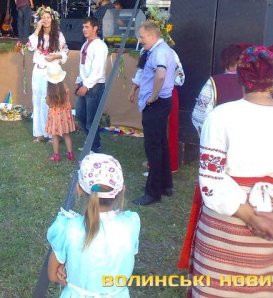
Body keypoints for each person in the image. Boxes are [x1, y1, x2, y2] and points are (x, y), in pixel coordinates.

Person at [188, 45, 273, 297]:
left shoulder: (220, 117)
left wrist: (252, 218)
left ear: (240, 77)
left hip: (229, 220)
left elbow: (212, 179)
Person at [47, 153, 140, 298]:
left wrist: (68, 268)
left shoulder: (69, 228)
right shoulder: (131, 223)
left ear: (79, 189)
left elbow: (53, 275)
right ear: (122, 190)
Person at [128, 20, 176, 205]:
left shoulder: (160, 52)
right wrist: (134, 88)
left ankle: (153, 192)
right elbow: (144, 72)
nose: (140, 40)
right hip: (158, 102)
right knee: (160, 144)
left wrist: (153, 96)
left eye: (142, 37)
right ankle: (165, 185)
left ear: (152, 36)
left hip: (157, 103)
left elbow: (161, 75)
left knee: (153, 147)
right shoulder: (152, 50)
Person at [27, 6, 68, 143]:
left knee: (51, 101)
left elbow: (64, 53)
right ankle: (40, 132)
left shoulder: (58, 35)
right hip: (38, 71)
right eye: (43, 17)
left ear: (52, 19)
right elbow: (30, 46)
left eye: (48, 17)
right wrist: (37, 29)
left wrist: (56, 56)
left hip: (52, 71)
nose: (45, 19)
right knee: (38, 100)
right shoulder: (37, 35)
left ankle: (53, 134)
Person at [191, 43, 245, 135]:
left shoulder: (214, 82)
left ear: (225, 62)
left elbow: (199, 116)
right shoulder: (260, 84)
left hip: (221, 136)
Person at [75, 17, 108, 153]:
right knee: (80, 115)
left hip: (95, 86)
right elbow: (83, 66)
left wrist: (86, 85)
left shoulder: (100, 46)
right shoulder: (85, 44)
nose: (84, 29)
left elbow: (97, 70)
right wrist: (79, 81)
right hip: (85, 84)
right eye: (83, 27)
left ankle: (94, 147)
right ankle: (92, 143)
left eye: (87, 27)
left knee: (91, 120)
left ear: (95, 28)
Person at [45, 62, 76, 162]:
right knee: (66, 134)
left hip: (55, 117)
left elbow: (49, 103)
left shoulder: (50, 90)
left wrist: (47, 100)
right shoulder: (65, 87)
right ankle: (70, 154)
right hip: (65, 115)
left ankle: (56, 156)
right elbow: (68, 101)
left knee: (55, 136)